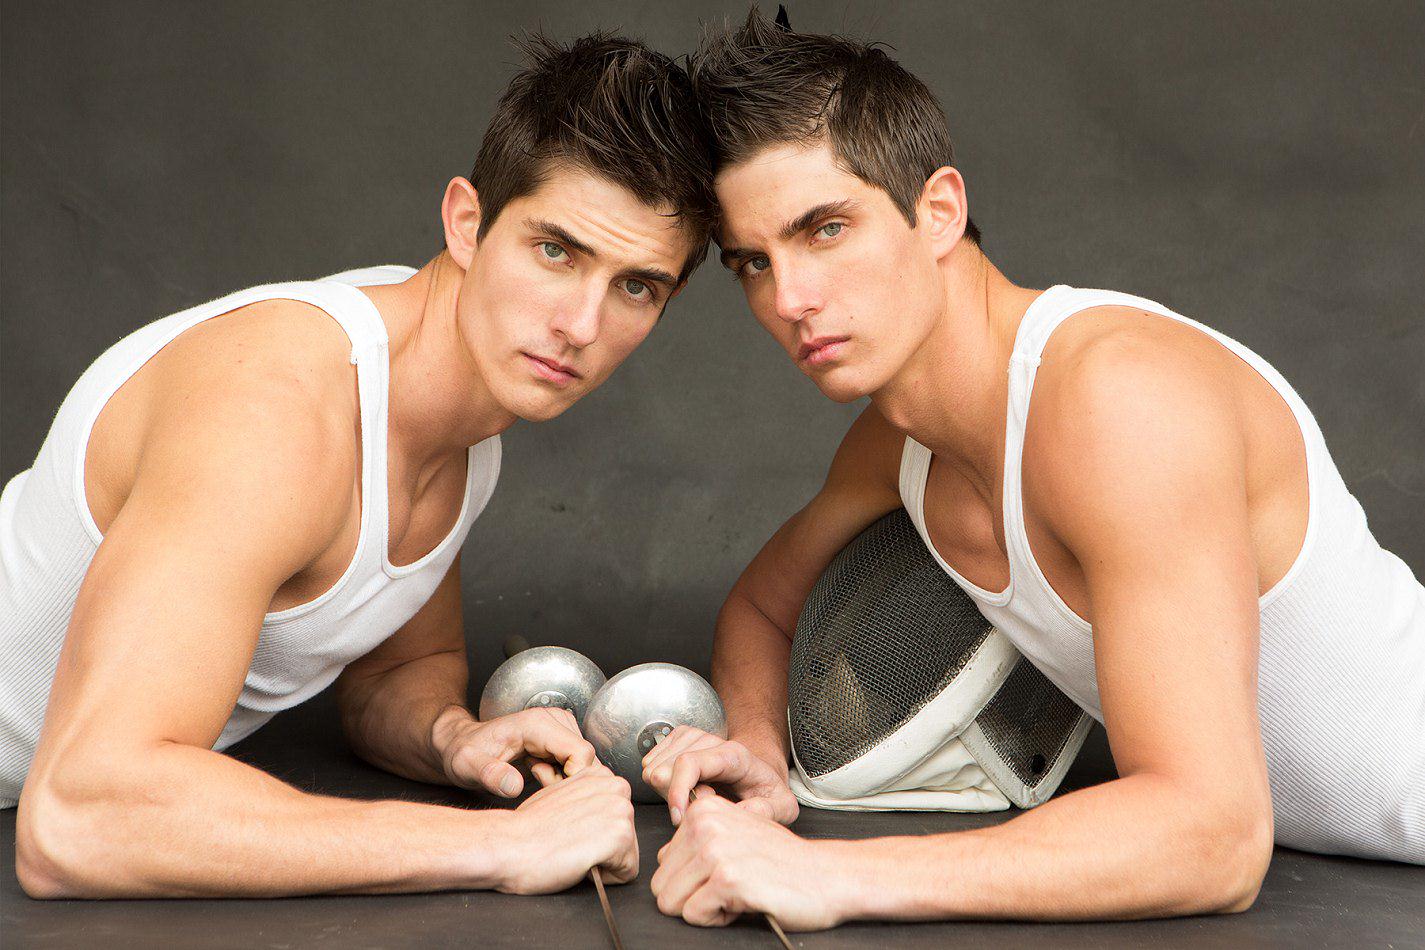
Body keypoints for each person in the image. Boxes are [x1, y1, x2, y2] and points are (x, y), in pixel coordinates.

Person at [641, 9, 1425, 930]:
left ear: (939, 211)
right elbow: (761, 611)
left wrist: (825, 875)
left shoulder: (1118, 398)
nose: (789, 298)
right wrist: (757, 756)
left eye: (825, 230)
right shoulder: (896, 446)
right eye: (750, 263)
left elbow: (1215, 835)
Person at [2, 31, 714, 899]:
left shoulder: (456, 404)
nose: (581, 325)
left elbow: (391, 673)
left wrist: (452, 738)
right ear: (467, 223)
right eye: (555, 251)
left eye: (636, 285)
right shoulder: (276, 414)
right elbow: (79, 817)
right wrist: (499, 847)